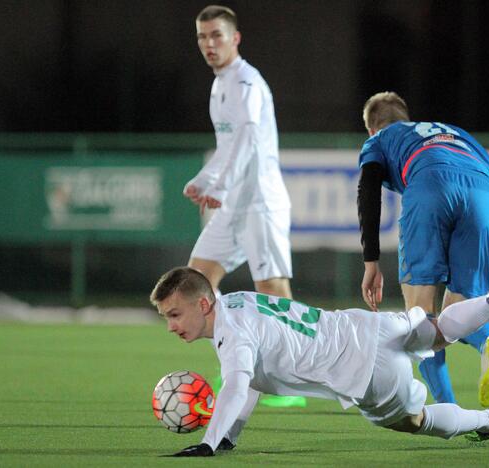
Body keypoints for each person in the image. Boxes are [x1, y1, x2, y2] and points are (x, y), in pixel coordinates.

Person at [150, 267, 489, 456]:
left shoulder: (231, 333)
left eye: (174, 314)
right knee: (437, 331)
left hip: (363, 371)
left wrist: (207, 445)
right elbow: (252, 381)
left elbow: (237, 385)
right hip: (364, 326)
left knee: (414, 422)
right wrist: (228, 438)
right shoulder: (235, 303)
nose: (170, 326)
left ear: (203, 304)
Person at [357, 92, 489, 408]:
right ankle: (486, 345)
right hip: (485, 197)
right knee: (461, 311)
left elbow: (368, 188)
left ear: (373, 128)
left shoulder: (381, 139)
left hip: (431, 186)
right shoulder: (454, 133)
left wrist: (371, 261)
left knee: (421, 320)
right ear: (407, 117)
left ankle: (447, 407)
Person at [184, 5, 303, 408]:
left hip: (259, 202)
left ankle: (290, 382)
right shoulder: (220, 85)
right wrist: (204, 181)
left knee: (273, 291)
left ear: (235, 38)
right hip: (232, 203)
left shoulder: (247, 81)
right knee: (197, 280)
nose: (208, 44)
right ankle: (239, 363)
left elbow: (249, 139)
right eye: (202, 37)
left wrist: (221, 184)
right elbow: (227, 146)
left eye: (216, 35)